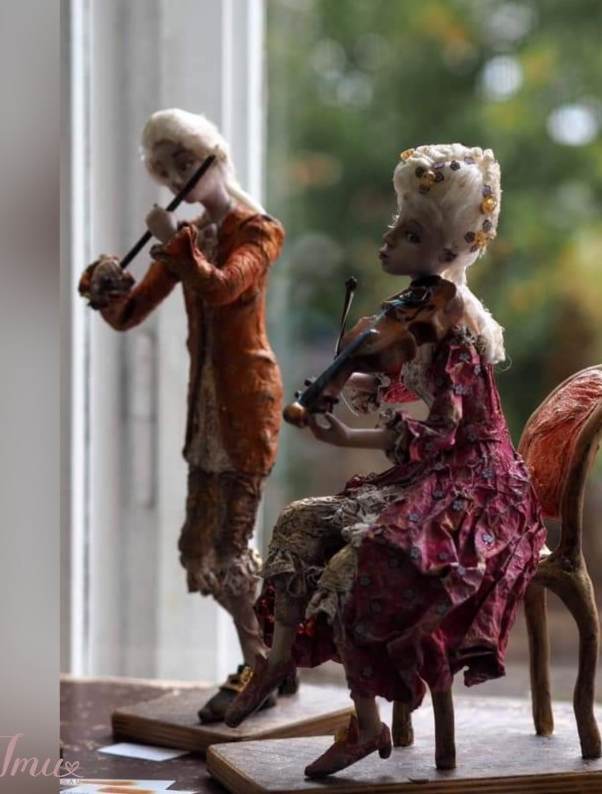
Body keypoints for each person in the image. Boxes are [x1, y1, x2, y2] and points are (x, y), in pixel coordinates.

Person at [223, 143, 547, 777]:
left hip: (478, 484)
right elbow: (401, 406)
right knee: (300, 520)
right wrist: (341, 409)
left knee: (361, 559)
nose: (390, 241)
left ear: (450, 250)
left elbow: (447, 431)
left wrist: (364, 431)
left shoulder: (453, 328)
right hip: (432, 470)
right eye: (397, 226)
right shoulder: (414, 313)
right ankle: (274, 661)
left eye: (410, 234)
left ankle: (365, 724)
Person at [78, 108, 293, 722]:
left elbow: (223, 286)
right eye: (165, 170)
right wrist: (107, 287)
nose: (176, 179)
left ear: (215, 157)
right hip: (207, 411)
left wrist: (176, 244)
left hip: (247, 406)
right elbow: (131, 311)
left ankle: (261, 665)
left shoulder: (259, 230)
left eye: (184, 163)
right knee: (197, 548)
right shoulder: (189, 236)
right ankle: (276, 655)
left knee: (228, 550)